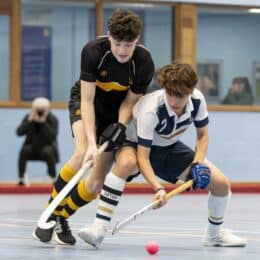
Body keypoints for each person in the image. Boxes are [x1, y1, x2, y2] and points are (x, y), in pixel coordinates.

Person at [79, 61, 246, 248]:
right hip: (134, 144)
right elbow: (143, 157)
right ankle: (99, 227)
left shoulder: (197, 101)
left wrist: (196, 165)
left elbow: (203, 136)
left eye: (180, 95)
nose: (174, 101)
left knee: (222, 184)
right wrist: (158, 188)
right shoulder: (152, 108)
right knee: (126, 162)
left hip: (168, 147)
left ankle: (214, 236)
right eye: (170, 94)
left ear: (191, 91)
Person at [33, 9, 154, 245]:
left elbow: (130, 102)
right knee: (81, 154)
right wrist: (90, 142)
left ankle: (59, 215)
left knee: (95, 183)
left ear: (137, 40)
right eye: (117, 43)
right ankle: (50, 212)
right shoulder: (92, 52)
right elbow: (87, 100)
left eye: (128, 45)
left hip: (115, 113)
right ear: (109, 35)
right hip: (86, 102)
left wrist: (120, 125)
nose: (122, 50)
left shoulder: (144, 62)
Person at [16, 97, 59, 186]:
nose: (40, 112)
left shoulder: (52, 119)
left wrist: (43, 123)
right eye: (38, 110)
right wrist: (29, 121)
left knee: (48, 151)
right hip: (31, 148)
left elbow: (52, 136)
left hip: (46, 148)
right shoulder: (29, 118)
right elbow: (19, 132)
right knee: (24, 150)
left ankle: (53, 178)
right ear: (33, 109)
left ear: (48, 109)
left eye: (42, 110)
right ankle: (21, 178)